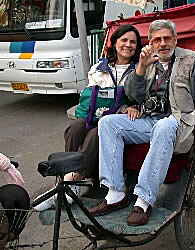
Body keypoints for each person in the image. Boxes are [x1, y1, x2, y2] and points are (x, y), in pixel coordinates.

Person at [88, 19, 195, 226]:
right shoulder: (146, 61)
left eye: (167, 38)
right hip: (149, 120)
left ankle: (143, 200)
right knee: (108, 123)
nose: (162, 43)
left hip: (180, 124)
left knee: (164, 126)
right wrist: (141, 68)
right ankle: (115, 192)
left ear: (175, 40)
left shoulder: (190, 60)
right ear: (150, 43)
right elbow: (133, 96)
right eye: (157, 40)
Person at [34, 24, 142, 211]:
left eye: (133, 42)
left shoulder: (139, 68)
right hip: (97, 114)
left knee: (97, 133)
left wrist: (133, 106)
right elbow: (90, 98)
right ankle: (72, 182)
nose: (128, 45)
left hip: (121, 120)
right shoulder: (99, 67)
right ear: (114, 43)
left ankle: (68, 182)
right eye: (123, 40)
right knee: (76, 127)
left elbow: (142, 95)